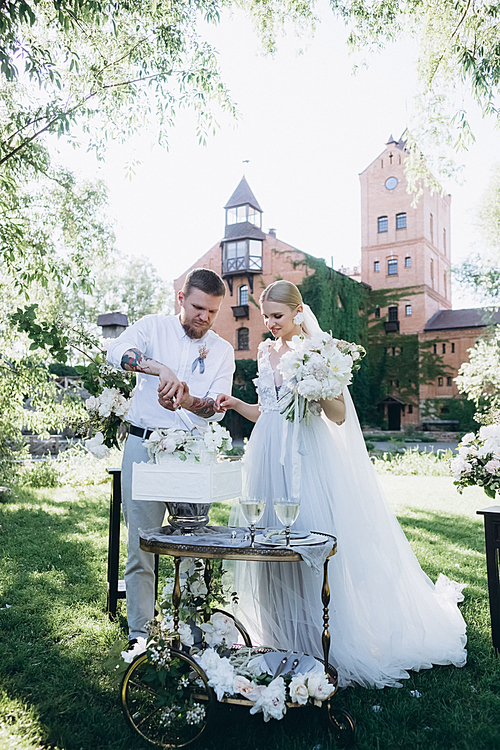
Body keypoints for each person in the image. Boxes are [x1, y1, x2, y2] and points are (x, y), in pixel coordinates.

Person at [215, 280, 466, 689]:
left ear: (298, 312)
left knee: (308, 540)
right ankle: (280, 634)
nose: (270, 324)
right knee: (269, 541)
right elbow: (269, 411)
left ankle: (324, 639)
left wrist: (313, 390)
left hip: (306, 456)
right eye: (266, 317)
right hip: (266, 455)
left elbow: (338, 416)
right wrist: (237, 406)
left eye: (277, 316)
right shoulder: (264, 351)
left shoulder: (320, 350)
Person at [107, 268, 234, 653]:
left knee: (193, 546)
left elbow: (215, 408)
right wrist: (160, 369)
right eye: (198, 307)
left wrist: (187, 398)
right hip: (143, 449)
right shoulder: (152, 328)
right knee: (142, 542)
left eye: (213, 312)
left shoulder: (224, 351)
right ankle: (140, 634)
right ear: (181, 298)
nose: (205, 318)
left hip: (191, 454)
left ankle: (192, 630)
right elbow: (116, 352)